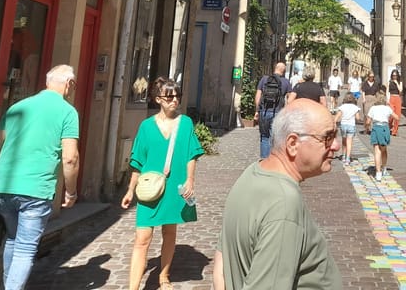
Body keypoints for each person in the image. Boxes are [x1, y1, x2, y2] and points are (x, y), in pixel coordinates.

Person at [214, 99, 342, 290]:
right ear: (293, 143)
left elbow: (221, 263)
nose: (336, 145)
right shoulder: (284, 202)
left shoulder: (252, 173)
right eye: (328, 137)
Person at [0, 64, 80, 290]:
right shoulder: (67, 112)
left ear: (47, 82)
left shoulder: (18, 107)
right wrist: (71, 191)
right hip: (36, 189)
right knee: (25, 248)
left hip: (5, 186)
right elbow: (70, 158)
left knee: (12, 239)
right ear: (69, 84)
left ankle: (8, 285)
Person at [121, 77, 204, 290]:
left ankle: (164, 276)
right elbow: (138, 161)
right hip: (149, 187)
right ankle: (133, 287)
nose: (175, 100)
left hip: (174, 185)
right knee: (142, 237)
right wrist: (130, 190)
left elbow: (191, 155)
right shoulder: (146, 127)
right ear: (158, 99)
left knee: (169, 232)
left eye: (177, 96)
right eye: (170, 97)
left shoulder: (185, 123)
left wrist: (190, 180)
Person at [254, 62, 291, 158]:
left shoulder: (264, 79)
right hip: (278, 112)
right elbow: (290, 99)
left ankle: (264, 160)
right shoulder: (286, 82)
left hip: (264, 111)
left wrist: (257, 110)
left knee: (264, 137)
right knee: (275, 138)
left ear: (274, 68)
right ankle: (273, 161)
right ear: (284, 71)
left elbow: (258, 96)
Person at [367, 91, 400, 182]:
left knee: (377, 151)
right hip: (385, 128)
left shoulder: (373, 108)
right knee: (384, 150)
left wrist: (367, 127)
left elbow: (368, 121)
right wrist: (389, 116)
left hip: (376, 128)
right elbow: (397, 117)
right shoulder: (387, 108)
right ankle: (384, 167)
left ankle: (378, 173)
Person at [334, 93, 361, 165]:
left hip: (343, 125)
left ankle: (343, 156)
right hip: (351, 125)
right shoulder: (355, 107)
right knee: (349, 142)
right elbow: (358, 118)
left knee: (344, 141)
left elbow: (336, 117)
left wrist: (335, 123)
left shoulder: (342, 107)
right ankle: (347, 159)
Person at [387, 70, 404, 136]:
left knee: (397, 115)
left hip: (397, 98)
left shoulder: (400, 82)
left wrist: (396, 83)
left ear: (397, 76)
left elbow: (400, 90)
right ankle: (389, 126)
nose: (394, 77)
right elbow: (387, 91)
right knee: (391, 115)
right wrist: (387, 99)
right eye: (393, 75)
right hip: (391, 98)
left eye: (395, 75)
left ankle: (395, 131)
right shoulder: (389, 82)